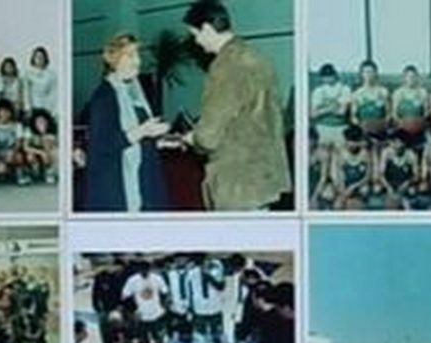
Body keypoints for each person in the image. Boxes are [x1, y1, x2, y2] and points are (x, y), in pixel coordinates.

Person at [183, 1, 291, 211]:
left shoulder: (225, 66)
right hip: (265, 177)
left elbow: (208, 136)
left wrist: (192, 138)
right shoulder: (257, 58)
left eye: (195, 34)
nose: (196, 41)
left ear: (207, 28)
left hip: (237, 181)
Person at [82, 34, 169, 212]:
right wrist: (143, 131)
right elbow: (103, 144)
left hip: (145, 177)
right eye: (130, 55)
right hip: (117, 184)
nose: (138, 61)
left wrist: (160, 141)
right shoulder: (104, 96)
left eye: (137, 54)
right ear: (115, 60)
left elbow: (139, 134)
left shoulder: (136, 91)